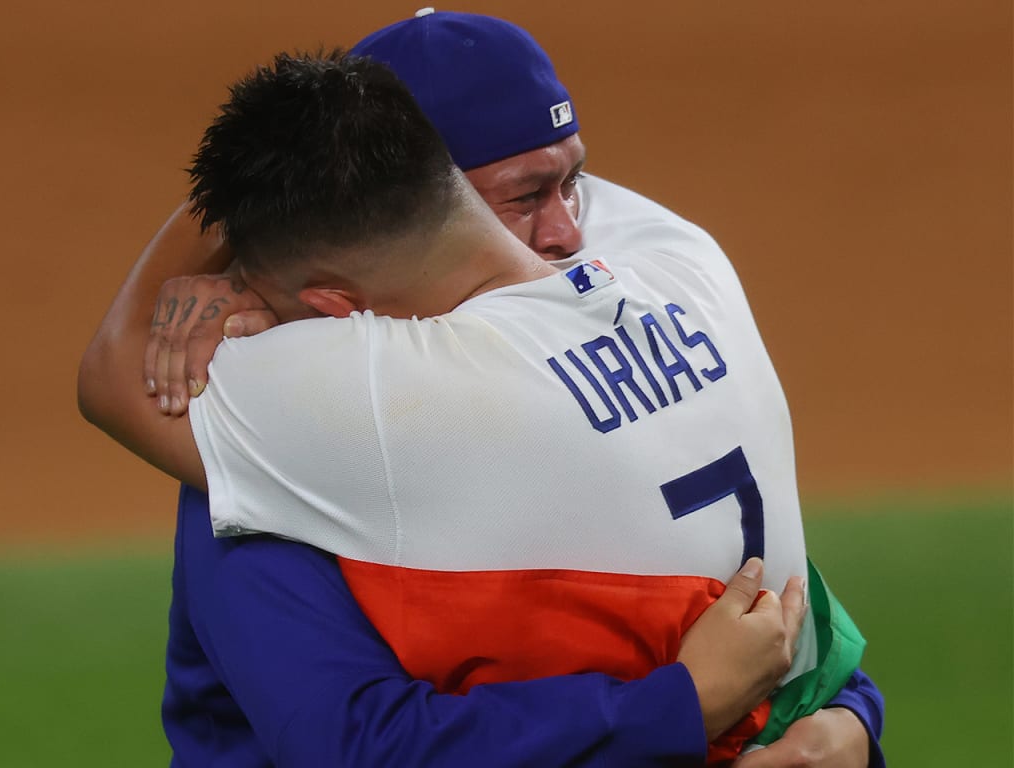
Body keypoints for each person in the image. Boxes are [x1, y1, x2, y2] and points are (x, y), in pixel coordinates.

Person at [79, 17, 884, 768]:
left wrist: (838, 716)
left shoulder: (290, 409)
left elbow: (723, 558)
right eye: (523, 198)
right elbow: (356, 742)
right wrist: (816, 711)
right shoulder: (291, 429)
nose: (569, 234)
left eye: (576, 184)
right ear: (422, 193)